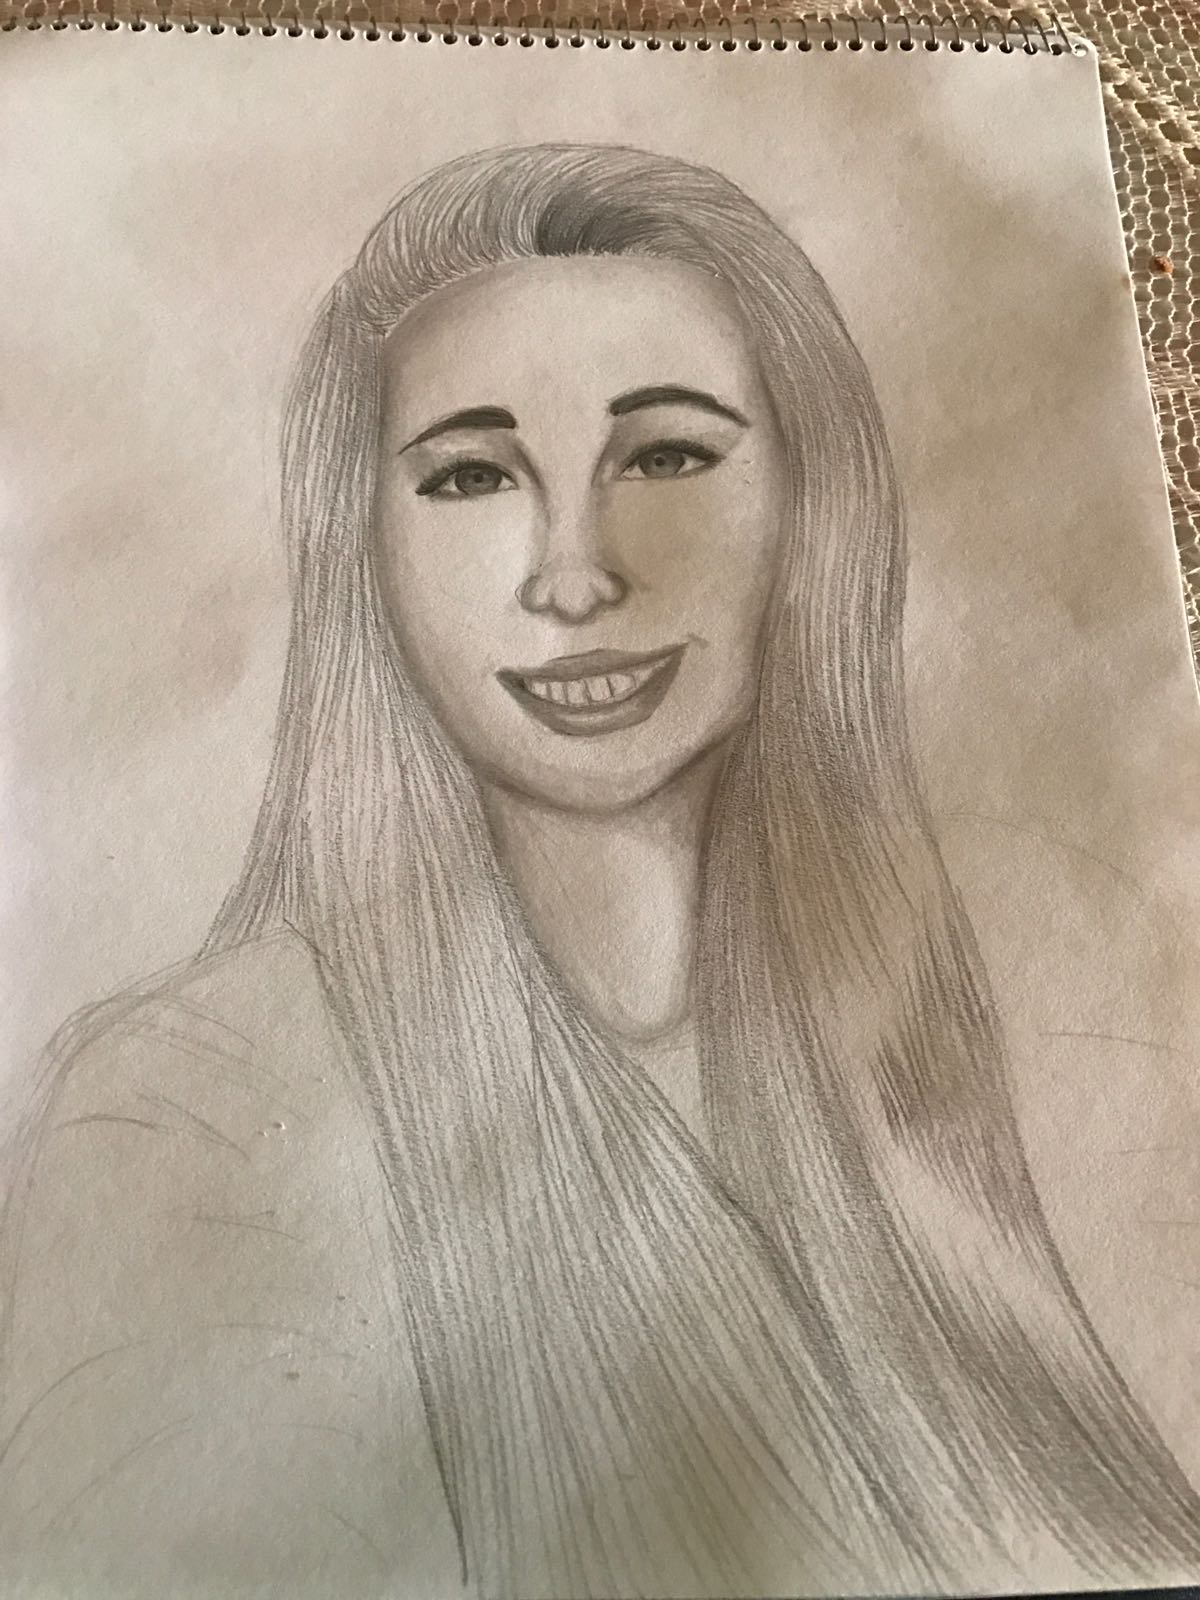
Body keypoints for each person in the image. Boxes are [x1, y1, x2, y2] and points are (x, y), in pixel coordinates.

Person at [2, 143, 1197, 1599]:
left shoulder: (992, 1019)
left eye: (669, 456)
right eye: (468, 475)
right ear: (362, 545)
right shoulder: (185, 1101)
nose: (574, 577)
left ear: (811, 499)